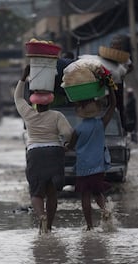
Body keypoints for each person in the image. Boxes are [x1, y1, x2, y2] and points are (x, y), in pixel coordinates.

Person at [14, 65, 73, 234]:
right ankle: (49, 226)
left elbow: (18, 98)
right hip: (55, 152)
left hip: (35, 153)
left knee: (36, 192)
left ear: (34, 103)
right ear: (50, 102)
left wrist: (23, 77)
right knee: (51, 192)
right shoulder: (56, 116)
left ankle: (41, 216)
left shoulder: (28, 114)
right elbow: (68, 133)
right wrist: (68, 145)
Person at [66, 82, 117, 231]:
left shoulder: (77, 129)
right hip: (99, 166)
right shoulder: (101, 123)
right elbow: (112, 106)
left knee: (85, 196)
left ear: (80, 112)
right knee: (98, 192)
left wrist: (64, 147)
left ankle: (89, 226)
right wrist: (111, 88)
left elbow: (70, 146)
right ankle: (105, 211)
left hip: (83, 168)